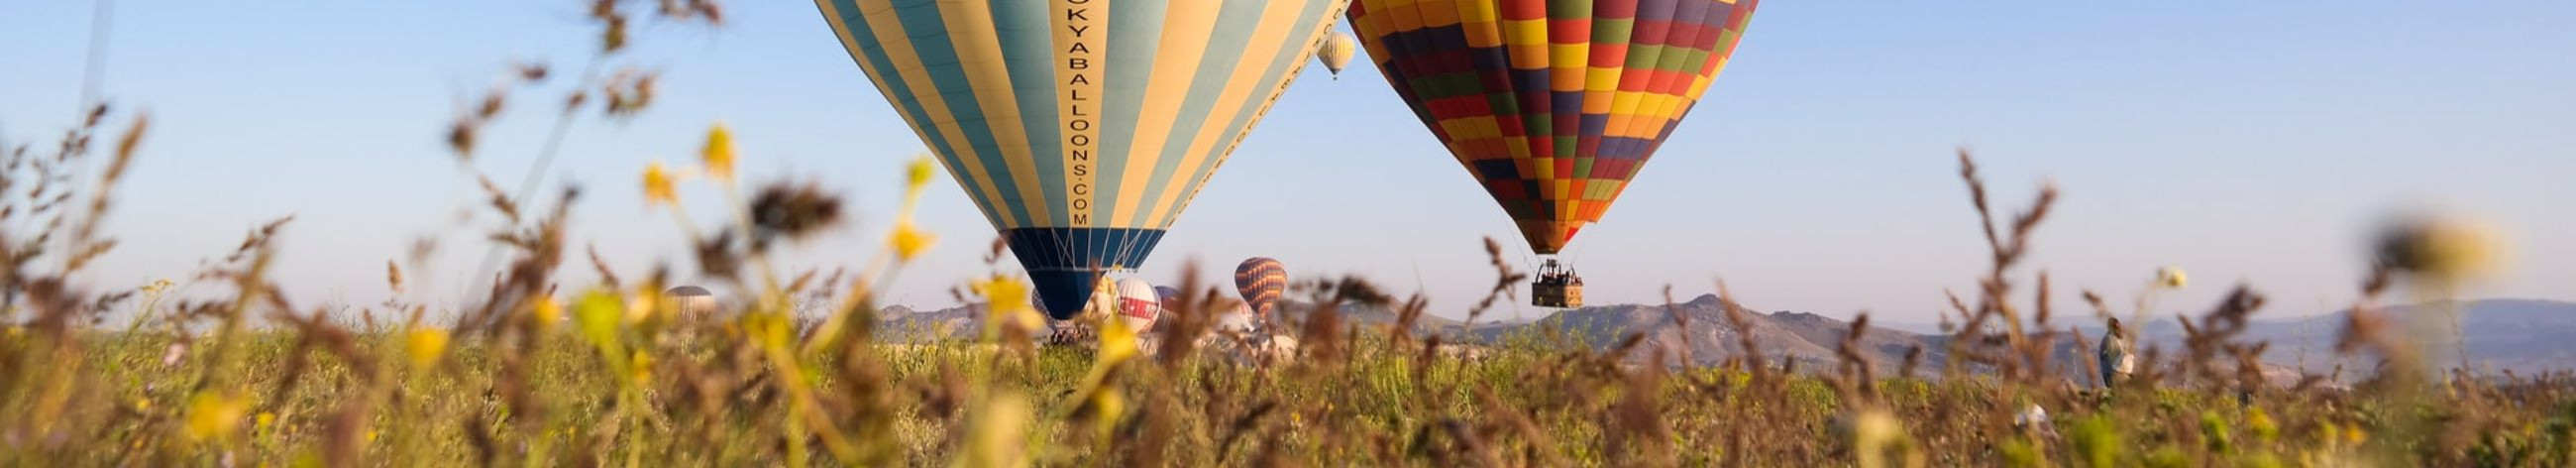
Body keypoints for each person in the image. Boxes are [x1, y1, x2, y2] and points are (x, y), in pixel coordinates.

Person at [2098, 317, 2136, 389]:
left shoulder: (2108, 339)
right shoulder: (2125, 339)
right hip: (2124, 372)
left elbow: (2102, 355)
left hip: (2112, 372)